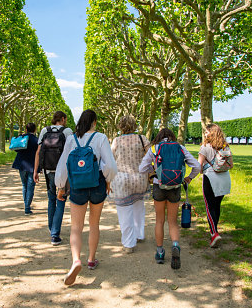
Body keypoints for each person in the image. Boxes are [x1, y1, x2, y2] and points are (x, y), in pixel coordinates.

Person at [55, 109, 117, 285]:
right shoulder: (101, 138)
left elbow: (64, 164)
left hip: (77, 186)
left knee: (76, 227)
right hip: (96, 183)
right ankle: (91, 259)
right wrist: (108, 181)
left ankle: (76, 260)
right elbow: (110, 165)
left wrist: (60, 186)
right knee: (94, 223)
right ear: (94, 122)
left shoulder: (71, 139)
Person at [139, 128, 200, 270]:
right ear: (172, 137)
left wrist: (153, 171)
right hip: (175, 187)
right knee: (172, 221)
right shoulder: (180, 148)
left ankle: (160, 252)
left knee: (159, 220)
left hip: (158, 186)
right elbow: (196, 166)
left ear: (158, 137)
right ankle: (175, 245)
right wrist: (189, 178)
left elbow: (142, 168)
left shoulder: (154, 148)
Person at [110, 115, 150, 253]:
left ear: (120, 126)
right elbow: (151, 155)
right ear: (134, 125)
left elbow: (111, 158)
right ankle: (139, 234)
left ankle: (129, 243)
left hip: (122, 179)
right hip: (140, 178)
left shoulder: (116, 141)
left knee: (124, 211)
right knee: (139, 207)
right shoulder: (142, 138)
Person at [33, 111, 73, 245]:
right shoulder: (67, 132)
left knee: (51, 199)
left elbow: (38, 152)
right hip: (62, 171)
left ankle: (52, 228)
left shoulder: (45, 130)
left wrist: (36, 170)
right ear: (62, 119)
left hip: (48, 169)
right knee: (61, 199)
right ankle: (55, 234)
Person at [197, 123, 232, 248]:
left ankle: (214, 233)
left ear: (211, 133)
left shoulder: (204, 148)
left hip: (210, 178)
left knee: (209, 206)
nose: (205, 134)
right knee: (217, 206)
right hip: (225, 179)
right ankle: (215, 229)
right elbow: (231, 164)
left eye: (206, 132)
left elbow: (199, 166)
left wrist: (199, 172)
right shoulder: (225, 147)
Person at [12, 123, 39, 215]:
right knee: (30, 187)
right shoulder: (36, 140)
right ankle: (27, 207)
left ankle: (26, 205)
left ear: (26, 130)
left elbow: (16, 149)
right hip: (32, 166)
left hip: (21, 165)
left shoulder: (21, 138)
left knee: (24, 185)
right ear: (35, 130)